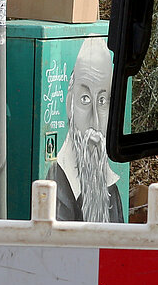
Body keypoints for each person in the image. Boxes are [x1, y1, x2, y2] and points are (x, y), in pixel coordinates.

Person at [47, 37, 124, 223]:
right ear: (69, 104)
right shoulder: (56, 185)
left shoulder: (111, 189)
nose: (95, 121)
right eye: (85, 99)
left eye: (102, 101)